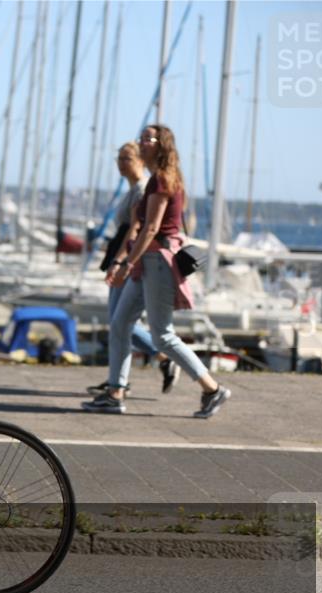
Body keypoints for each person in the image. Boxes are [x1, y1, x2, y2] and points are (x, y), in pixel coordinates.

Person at [82, 124, 230, 418]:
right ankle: (115, 392)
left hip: (158, 263)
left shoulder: (162, 180)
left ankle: (212, 389)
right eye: (141, 138)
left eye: (148, 138)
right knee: (121, 322)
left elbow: (150, 228)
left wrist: (126, 263)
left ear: (162, 145)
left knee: (162, 336)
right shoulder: (154, 181)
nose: (142, 142)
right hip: (146, 263)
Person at [87, 142, 180, 398]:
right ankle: (118, 379)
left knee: (121, 322)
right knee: (119, 322)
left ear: (140, 160)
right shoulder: (134, 189)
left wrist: (122, 262)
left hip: (130, 255)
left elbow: (136, 229)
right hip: (123, 253)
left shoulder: (142, 189)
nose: (121, 162)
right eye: (119, 158)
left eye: (126, 158)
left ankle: (156, 360)